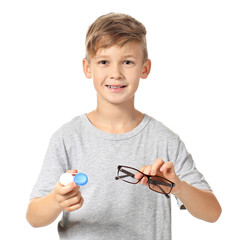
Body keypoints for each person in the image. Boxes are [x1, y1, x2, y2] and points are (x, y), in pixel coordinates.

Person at [26, 13, 221, 239]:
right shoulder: (67, 138)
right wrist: (55, 200)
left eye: (127, 62)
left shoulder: (165, 140)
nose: (116, 74)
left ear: (145, 68)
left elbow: (213, 213)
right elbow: (34, 217)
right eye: (103, 62)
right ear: (87, 67)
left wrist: (177, 187)